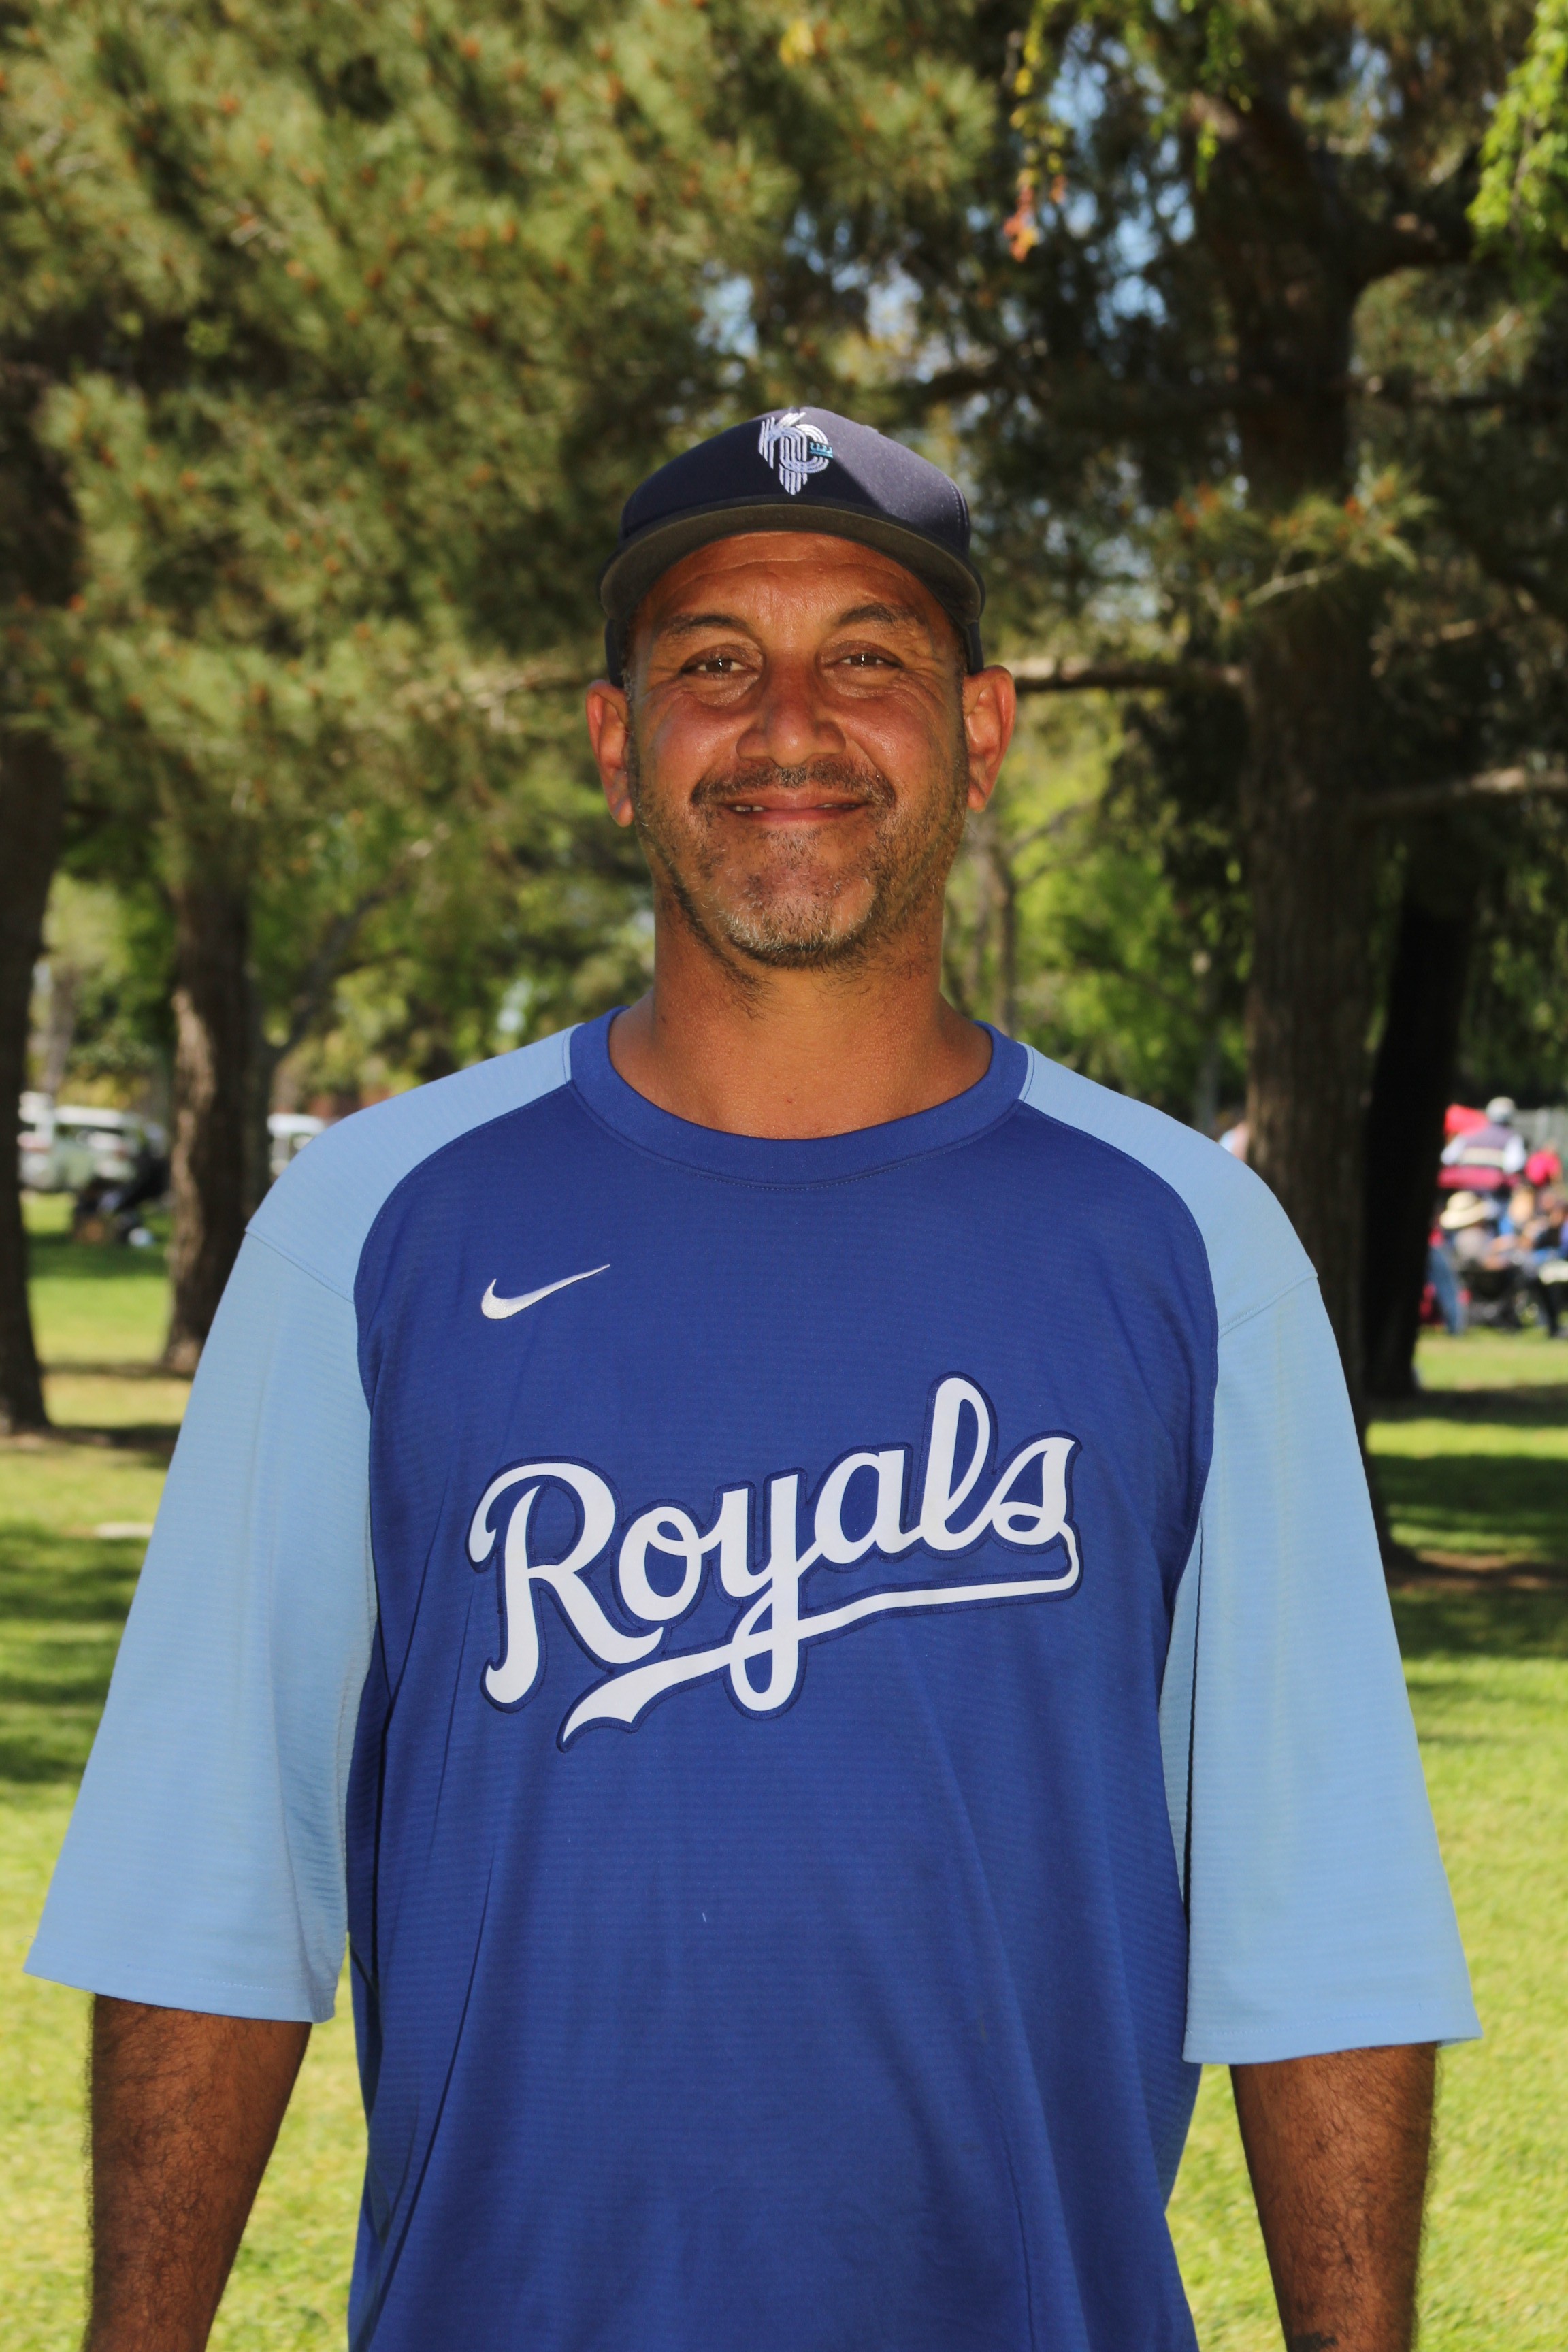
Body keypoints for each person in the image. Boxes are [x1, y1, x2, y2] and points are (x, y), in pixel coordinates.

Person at [29, 409, 1476, 2352]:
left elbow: (1324, 1924)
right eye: (715, 661)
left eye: (868, 657)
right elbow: (212, 1886)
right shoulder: (370, 1225)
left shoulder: (1192, 1245)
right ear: (618, 744)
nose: (790, 724)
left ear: (980, 733)